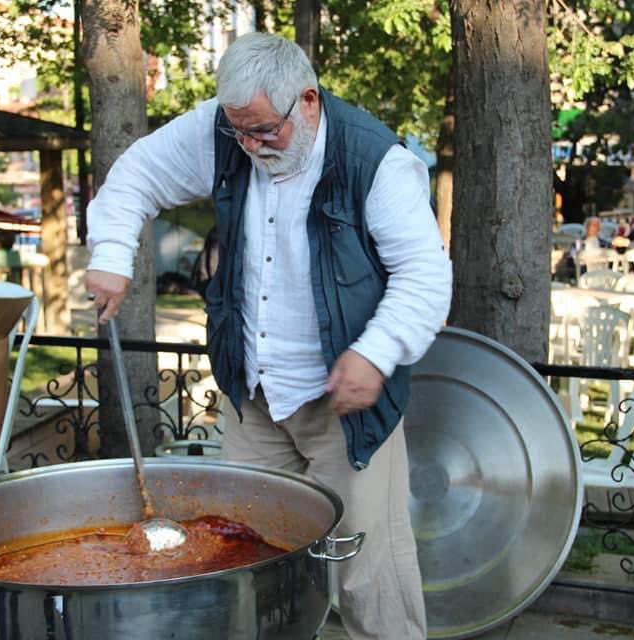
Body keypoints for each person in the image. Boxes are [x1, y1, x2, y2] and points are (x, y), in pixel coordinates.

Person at [85, 32, 452, 639]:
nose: (251, 147)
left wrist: (376, 352)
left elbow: (425, 277)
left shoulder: (377, 162)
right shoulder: (220, 130)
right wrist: (113, 254)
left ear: (307, 100)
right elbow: (136, 175)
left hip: (347, 406)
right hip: (254, 396)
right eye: (239, 133)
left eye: (264, 131)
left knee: (365, 572)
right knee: (244, 558)